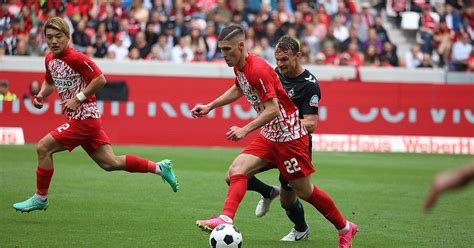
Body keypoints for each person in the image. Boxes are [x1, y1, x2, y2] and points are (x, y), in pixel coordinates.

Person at [192, 24, 357, 248]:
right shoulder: (240, 67)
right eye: (222, 50)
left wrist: (244, 130)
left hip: (290, 137)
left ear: (241, 46)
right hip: (271, 134)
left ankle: (345, 228)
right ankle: (226, 218)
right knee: (235, 172)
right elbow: (239, 88)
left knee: (304, 191)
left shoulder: (257, 68)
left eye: (228, 49)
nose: (224, 55)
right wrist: (210, 106)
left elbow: (273, 110)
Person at [12, 17, 179, 213]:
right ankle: (160, 168)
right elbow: (50, 81)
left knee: (43, 148)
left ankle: (41, 198)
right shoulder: (50, 58)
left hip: (85, 120)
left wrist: (78, 98)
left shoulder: (76, 58)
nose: (54, 41)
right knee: (110, 163)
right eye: (49, 37)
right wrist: (41, 95)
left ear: (68, 37)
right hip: (81, 120)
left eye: (58, 36)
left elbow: (100, 79)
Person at [226, 35, 321, 241]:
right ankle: (268, 191)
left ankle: (301, 229)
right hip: (271, 139)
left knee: (289, 200)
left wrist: (284, 123)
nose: (279, 64)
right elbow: (242, 89)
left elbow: (311, 124)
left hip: (294, 145)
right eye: (277, 59)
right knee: (235, 174)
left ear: (297, 56)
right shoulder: (274, 73)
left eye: (284, 60)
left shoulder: (310, 85)